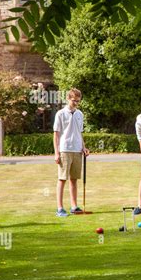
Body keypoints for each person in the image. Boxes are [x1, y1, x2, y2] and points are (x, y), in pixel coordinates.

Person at [53, 88, 89, 217]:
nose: (76, 103)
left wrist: (84, 147)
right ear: (68, 99)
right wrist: (56, 153)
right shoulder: (60, 114)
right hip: (65, 149)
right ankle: (60, 208)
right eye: (74, 101)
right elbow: (56, 135)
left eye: (78, 101)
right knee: (62, 179)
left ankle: (74, 206)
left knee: (74, 179)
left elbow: (79, 133)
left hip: (77, 150)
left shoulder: (80, 114)